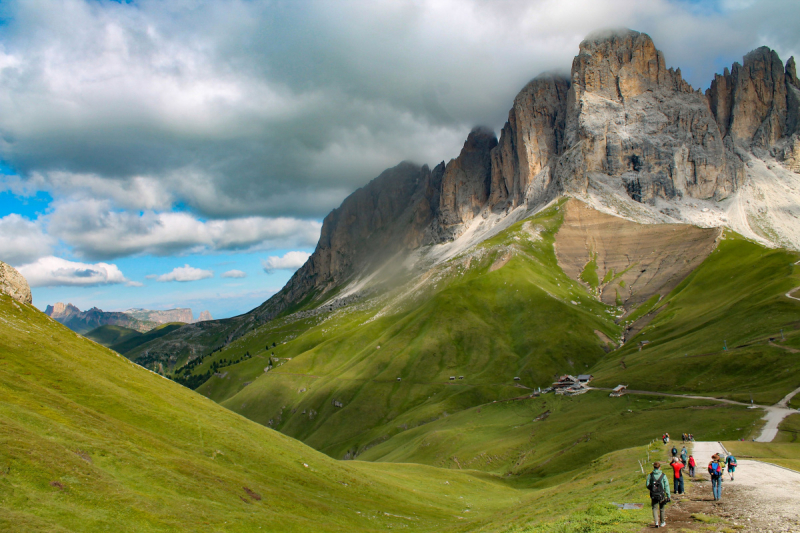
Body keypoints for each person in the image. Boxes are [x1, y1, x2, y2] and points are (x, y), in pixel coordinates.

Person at [646, 461, 670, 528]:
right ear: (659, 467)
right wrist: (668, 495)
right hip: (661, 494)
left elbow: (647, 484)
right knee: (662, 508)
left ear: (654, 467)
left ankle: (656, 522)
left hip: (653, 494)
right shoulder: (663, 475)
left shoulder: (650, 475)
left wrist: (652, 489)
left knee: (654, 508)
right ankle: (662, 522)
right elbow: (666, 486)